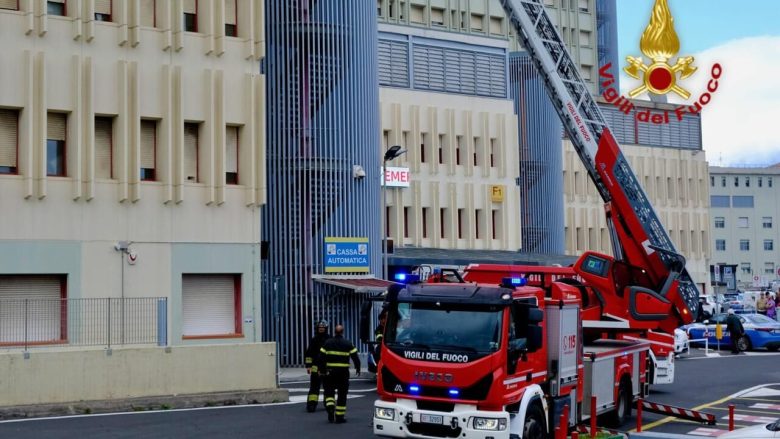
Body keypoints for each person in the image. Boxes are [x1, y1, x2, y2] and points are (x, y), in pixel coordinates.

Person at [317, 324, 361, 424]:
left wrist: (321, 370)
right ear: (342, 332)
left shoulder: (327, 343)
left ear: (334, 332)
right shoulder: (348, 343)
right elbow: (355, 357)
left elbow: (321, 357)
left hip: (330, 373)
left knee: (329, 393)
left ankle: (330, 407)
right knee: (342, 395)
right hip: (343, 373)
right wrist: (357, 368)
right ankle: (340, 417)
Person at [304, 320, 330, 413]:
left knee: (328, 387)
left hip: (327, 367)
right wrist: (308, 366)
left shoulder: (329, 339)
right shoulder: (314, 339)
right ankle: (311, 404)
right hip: (315, 367)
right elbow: (309, 353)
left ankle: (329, 404)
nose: (321, 329)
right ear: (317, 329)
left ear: (326, 329)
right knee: (314, 387)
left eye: (323, 328)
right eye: (320, 328)